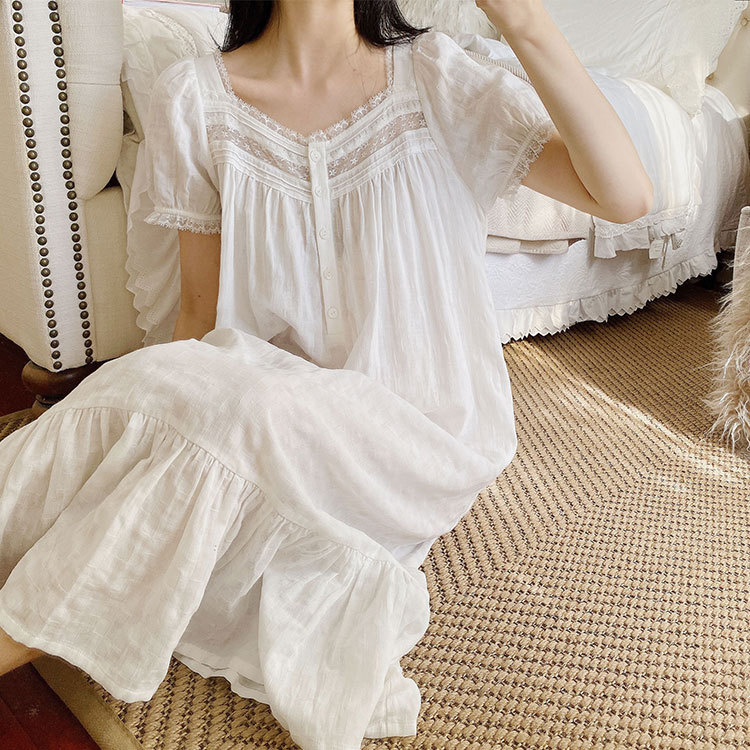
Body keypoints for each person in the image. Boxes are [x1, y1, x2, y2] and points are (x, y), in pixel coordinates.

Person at [0, 0, 653, 747]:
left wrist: (525, 21)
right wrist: (170, 412)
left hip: (409, 441)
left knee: (237, 408)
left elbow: (626, 197)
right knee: (140, 388)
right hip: (261, 419)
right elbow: (199, 317)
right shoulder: (193, 96)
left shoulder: (437, 77)